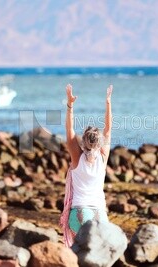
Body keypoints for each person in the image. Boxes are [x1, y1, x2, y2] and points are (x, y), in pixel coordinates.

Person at [59, 83, 113, 247]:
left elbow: (69, 130)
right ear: (100, 143)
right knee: (99, 253)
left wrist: (70, 105)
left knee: (79, 254)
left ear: (83, 142)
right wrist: (108, 103)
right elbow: (108, 128)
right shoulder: (103, 158)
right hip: (99, 213)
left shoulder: (77, 158)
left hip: (79, 213)